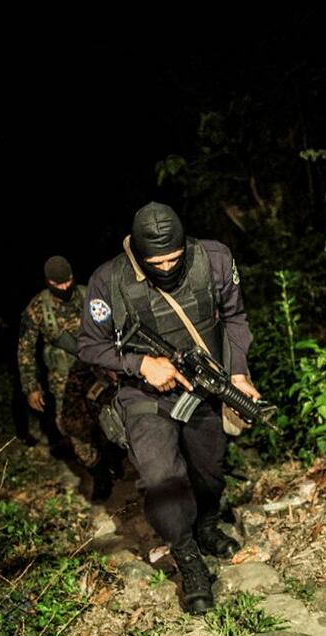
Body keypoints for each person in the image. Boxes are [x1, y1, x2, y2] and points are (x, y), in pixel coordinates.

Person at [78, 201, 259, 614]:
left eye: (173, 258)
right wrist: (140, 364)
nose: (165, 267)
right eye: (155, 261)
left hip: (204, 386)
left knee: (208, 467)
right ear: (138, 253)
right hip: (143, 394)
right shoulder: (109, 281)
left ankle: (208, 524)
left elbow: (234, 318)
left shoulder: (214, 259)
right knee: (163, 478)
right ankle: (187, 555)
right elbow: (90, 345)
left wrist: (238, 373)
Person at [18, 256, 114, 501]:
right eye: (57, 284)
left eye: (67, 281)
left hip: (97, 371)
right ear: (48, 282)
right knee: (71, 426)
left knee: (111, 417)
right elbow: (25, 349)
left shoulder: (88, 296)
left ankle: (113, 457)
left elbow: (113, 329)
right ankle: (98, 471)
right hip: (62, 379)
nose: (63, 288)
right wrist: (31, 387)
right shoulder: (38, 307)